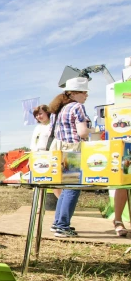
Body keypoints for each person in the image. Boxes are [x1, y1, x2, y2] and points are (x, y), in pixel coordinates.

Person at [49, 77, 91, 238]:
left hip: (60, 150)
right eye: (84, 92)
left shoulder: (59, 109)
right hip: (73, 150)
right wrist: (89, 130)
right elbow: (82, 132)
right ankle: (62, 226)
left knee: (65, 188)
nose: (86, 95)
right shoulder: (78, 107)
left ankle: (58, 223)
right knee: (72, 188)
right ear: (75, 93)